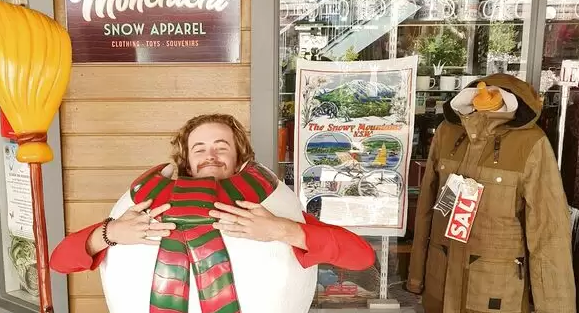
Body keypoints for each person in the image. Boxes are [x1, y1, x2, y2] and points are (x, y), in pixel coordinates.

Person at [50, 114, 375, 274]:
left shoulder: (262, 208)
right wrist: (111, 232)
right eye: (199, 148)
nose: (211, 155)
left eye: (222, 147)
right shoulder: (149, 207)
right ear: (186, 158)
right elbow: (60, 260)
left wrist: (279, 229)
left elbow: (361, 256)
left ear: (239, 155)